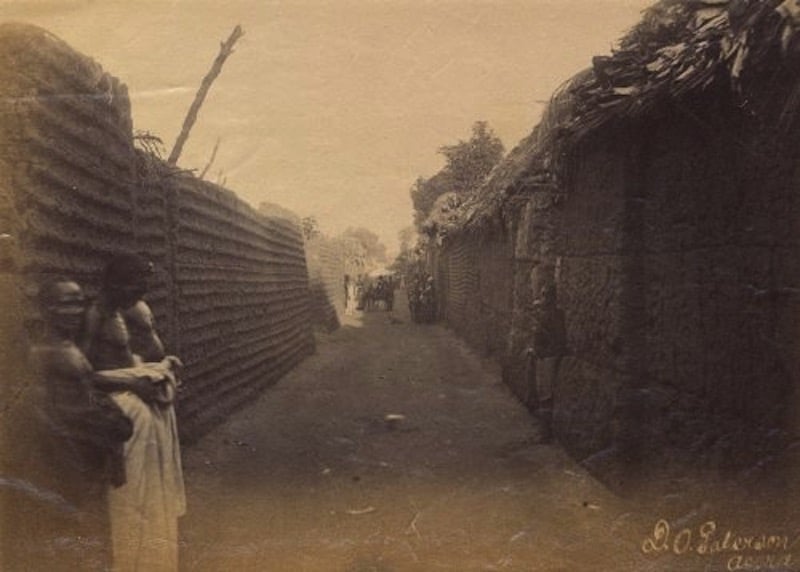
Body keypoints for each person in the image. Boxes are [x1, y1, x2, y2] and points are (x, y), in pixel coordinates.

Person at [81, 253, 186, 572]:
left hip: (141, 407)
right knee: (132, 494)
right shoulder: (94, 316)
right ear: (115, 284)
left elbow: (126, 360)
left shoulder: (119, 313)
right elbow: (85, 373)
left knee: (152, 493)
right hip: (123, 413)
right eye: (135, 287)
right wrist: (133, 383)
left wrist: (158, 368)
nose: (140, 295)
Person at [29, 278, 133, 571]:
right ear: (46, 308)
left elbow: (89, 398)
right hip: (72, 463)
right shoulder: (42, 354)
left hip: (91, 459)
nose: (75, 310)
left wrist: (114, 440)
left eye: (78, 302)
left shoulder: (69, 347)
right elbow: (45, 415)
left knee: (96, 540)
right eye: (66, 303)